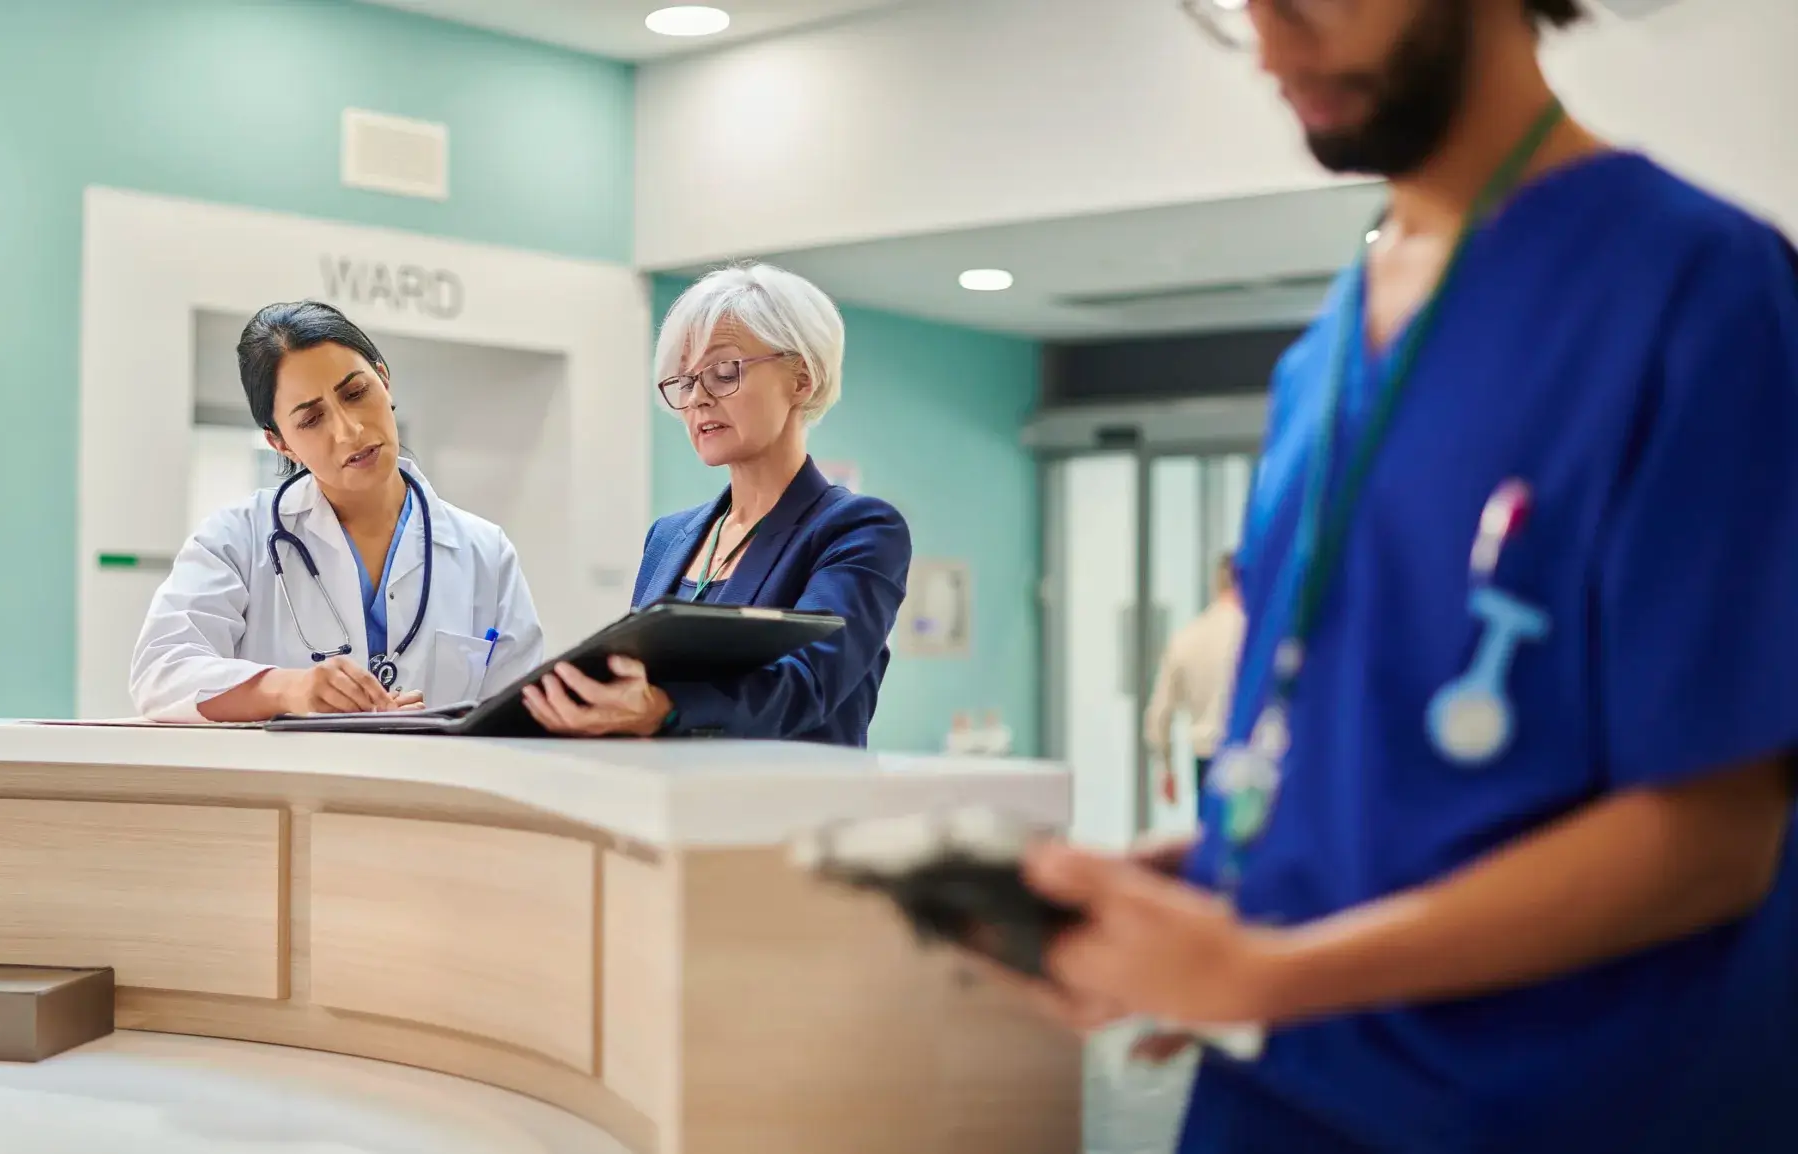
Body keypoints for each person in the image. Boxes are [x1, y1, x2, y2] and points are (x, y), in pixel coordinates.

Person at [1010, 2, 1797, 1153]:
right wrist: (1199, 880)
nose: (1273, 50)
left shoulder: (1701, 290)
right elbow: (1382, 763)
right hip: (1271, 1099)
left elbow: (1711, 838)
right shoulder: (1316, 362)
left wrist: (1268, 972)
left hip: (1557, 1108)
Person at [523, 263, 909, 745]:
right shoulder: (669, 537)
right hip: (665, 810)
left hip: (793, 813)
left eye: (724, 372)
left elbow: (808, 684)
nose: (698, 399)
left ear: (802, 379)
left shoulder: (857, 529)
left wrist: (663, 709)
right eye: (684, 383)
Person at [132, 301, 545, 721]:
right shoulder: (235, 540)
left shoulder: (485, 552)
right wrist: (289, 689)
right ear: (281, 443)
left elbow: (524, 711)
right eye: (311, 419)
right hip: (292, 786)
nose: (349, 431)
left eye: (356, 393)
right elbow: (160, 674)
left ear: (384, 381)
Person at [1144, 554, 1245, 802]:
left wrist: (1166, 769)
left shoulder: (1187, 637)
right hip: (1249, 760)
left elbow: (1159, 715)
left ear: (1216, 583)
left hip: (1205, 760)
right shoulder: (1256, 637)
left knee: (1208, 835)